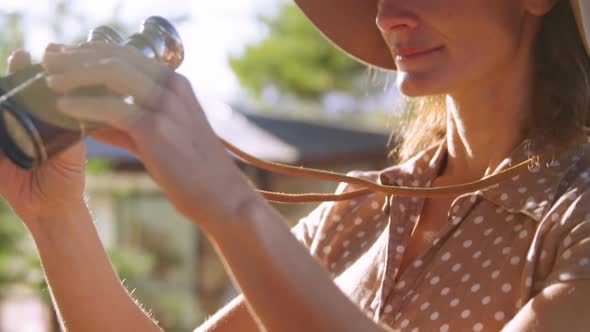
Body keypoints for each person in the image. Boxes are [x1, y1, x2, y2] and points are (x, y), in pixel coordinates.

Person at [1, 0, 590, 330]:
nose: (388, 15)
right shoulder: (362, 211)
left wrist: (229, 203)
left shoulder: (577, 217)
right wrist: (55, 213)